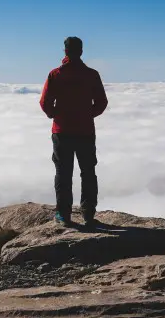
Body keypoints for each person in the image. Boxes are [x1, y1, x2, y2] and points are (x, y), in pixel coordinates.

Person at [39, 36, 108, 226]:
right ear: (81, 51)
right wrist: (87, 115)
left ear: (65, 51)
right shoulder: (91, 74)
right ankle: (88, 214)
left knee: (63, 173)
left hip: (61, 132)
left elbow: (45, 102)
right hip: (85, 131)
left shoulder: (55, 74)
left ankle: (64, 215)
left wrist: (56, 116)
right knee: (88, 172)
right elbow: (102, 102)